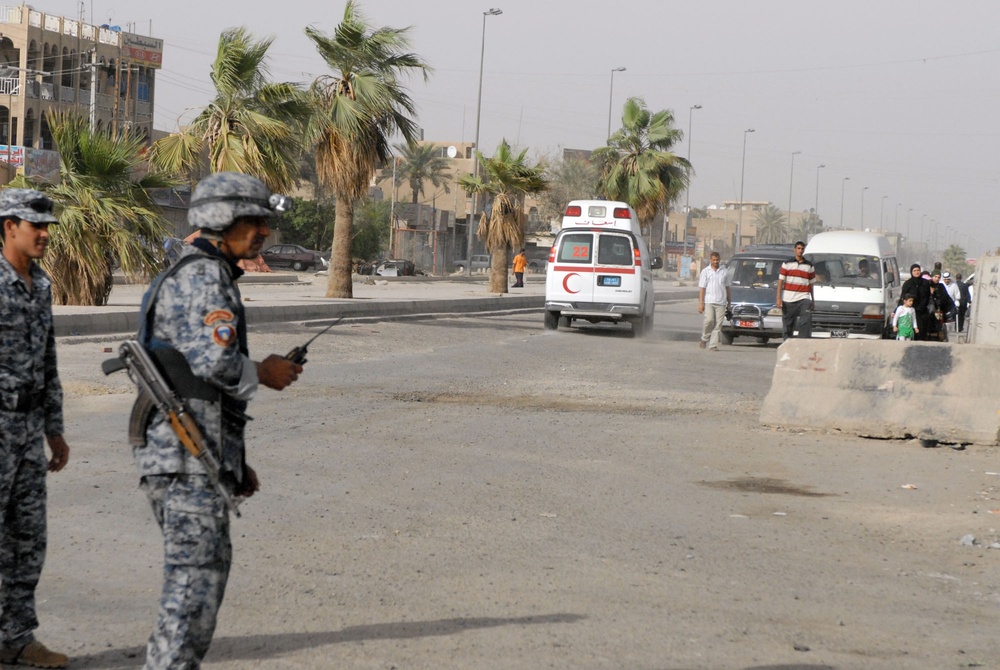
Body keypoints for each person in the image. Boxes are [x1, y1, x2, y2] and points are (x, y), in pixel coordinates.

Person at [133, 173, 303, 669]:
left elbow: (204, 384)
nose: (263, 232)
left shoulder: (201, 271)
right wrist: (264, 372)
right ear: (219, 220)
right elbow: (215, 365)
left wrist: (235, 462)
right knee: (191, 591)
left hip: (193, 455)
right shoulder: (204, 277)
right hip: (183, 459)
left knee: (203, 575)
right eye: (252, 221)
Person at [0, 189, 71, 669]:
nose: (44, 234)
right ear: (8, 227)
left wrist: (55, 428)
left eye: (48, 226)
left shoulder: (41, 285)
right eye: (34, 225)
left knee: (28, 538)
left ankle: (16, 638)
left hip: (27, 430)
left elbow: (47, 359)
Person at [775, 240, 815, 339]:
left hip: (803, 298)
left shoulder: (809, 265)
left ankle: (803, 342)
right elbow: (780, 281)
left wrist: (813, 299)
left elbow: (811, 284)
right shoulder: (787, 264)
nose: (800, 251)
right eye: (798, 248)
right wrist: (778, 298)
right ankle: (787, 343)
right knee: (788, 325)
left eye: (802, 249)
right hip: (788, 299)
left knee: (805, 321)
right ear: (795, 250)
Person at [697, 251, 731, 351]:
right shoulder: (705, 272)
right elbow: (702, 288)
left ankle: (713, 345)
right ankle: (704, 338)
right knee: (709, 321)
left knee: (718, 324)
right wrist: (700, 303)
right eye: (714, 260)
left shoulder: (724, 271)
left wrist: (729, 303)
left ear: (719, 260)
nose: (716, 261)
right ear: (710, 260)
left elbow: (727, 288)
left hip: (721, 302)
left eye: (717, 260)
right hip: (709, 301)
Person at [900, 264, 932, 341]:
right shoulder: (908, 283)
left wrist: (924, 306)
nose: (917, 272)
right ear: (911, 272)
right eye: (914, 271)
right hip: (910, 311)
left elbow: (928, 296)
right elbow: (903, 297)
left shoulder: (925, 283)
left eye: (918, 270)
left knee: (921, 332)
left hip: (922, 312)